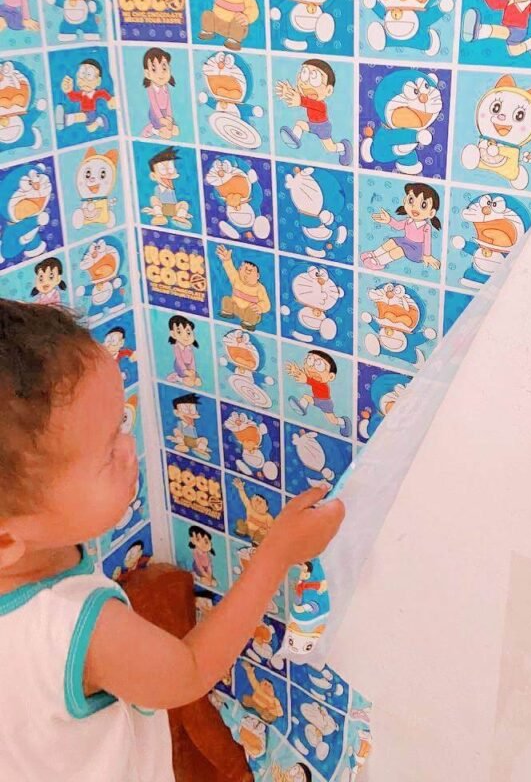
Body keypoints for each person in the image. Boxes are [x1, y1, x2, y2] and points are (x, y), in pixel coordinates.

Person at [0, 299, 344, 782]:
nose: (129, 447)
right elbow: (189, 671)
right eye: (106, 453)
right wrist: (278, 554)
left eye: (122, 423)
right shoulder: (81, 626)